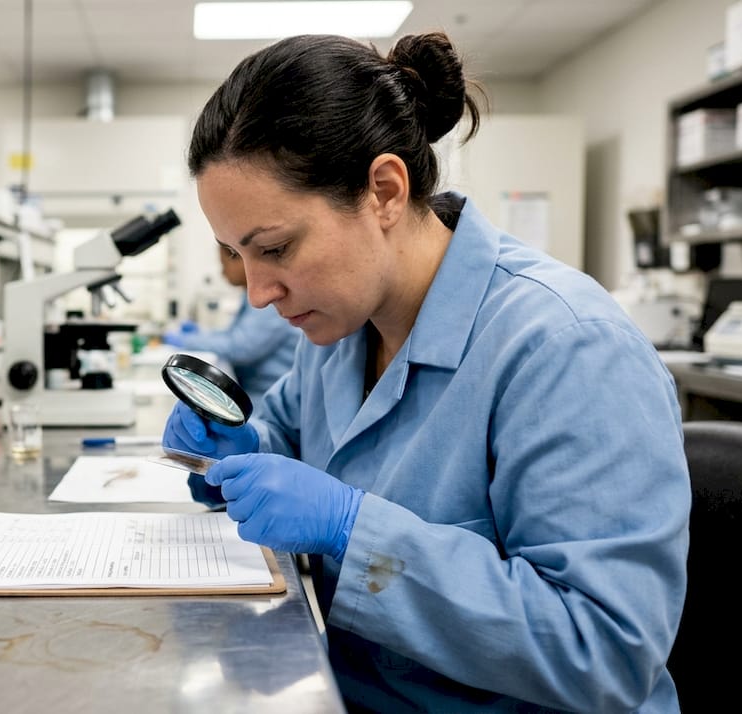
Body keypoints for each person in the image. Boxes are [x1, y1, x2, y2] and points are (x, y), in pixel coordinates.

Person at [163, 32, 690, 712]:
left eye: (275, 248)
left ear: (384, 190)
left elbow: (603, 652)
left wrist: (355, 531)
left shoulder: (565, 346)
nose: (259, 292)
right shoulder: (337, 329)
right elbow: (285, 444)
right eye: (239, 253)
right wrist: (236, 456)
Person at [163, 244, 301, 404]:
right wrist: (200, 334)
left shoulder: (268, 302)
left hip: (268, 398)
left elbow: (240, 347)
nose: (222, 273)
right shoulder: (248, 297)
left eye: (224, 264)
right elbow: (232, 335)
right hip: (257, 393)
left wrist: (186, 341)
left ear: (242, 259)